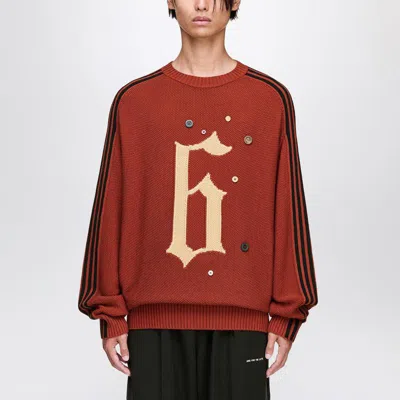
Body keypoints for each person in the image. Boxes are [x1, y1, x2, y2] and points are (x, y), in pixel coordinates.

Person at [77, 0, 319, 399]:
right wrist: (109, 312)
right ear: (170, 1)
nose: (202, 4)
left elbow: (287, 209)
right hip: (151, 321)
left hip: (244, 320)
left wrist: (287, 313)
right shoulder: (135, 102)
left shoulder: (269, 100)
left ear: (235, 2)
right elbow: (111, 209)